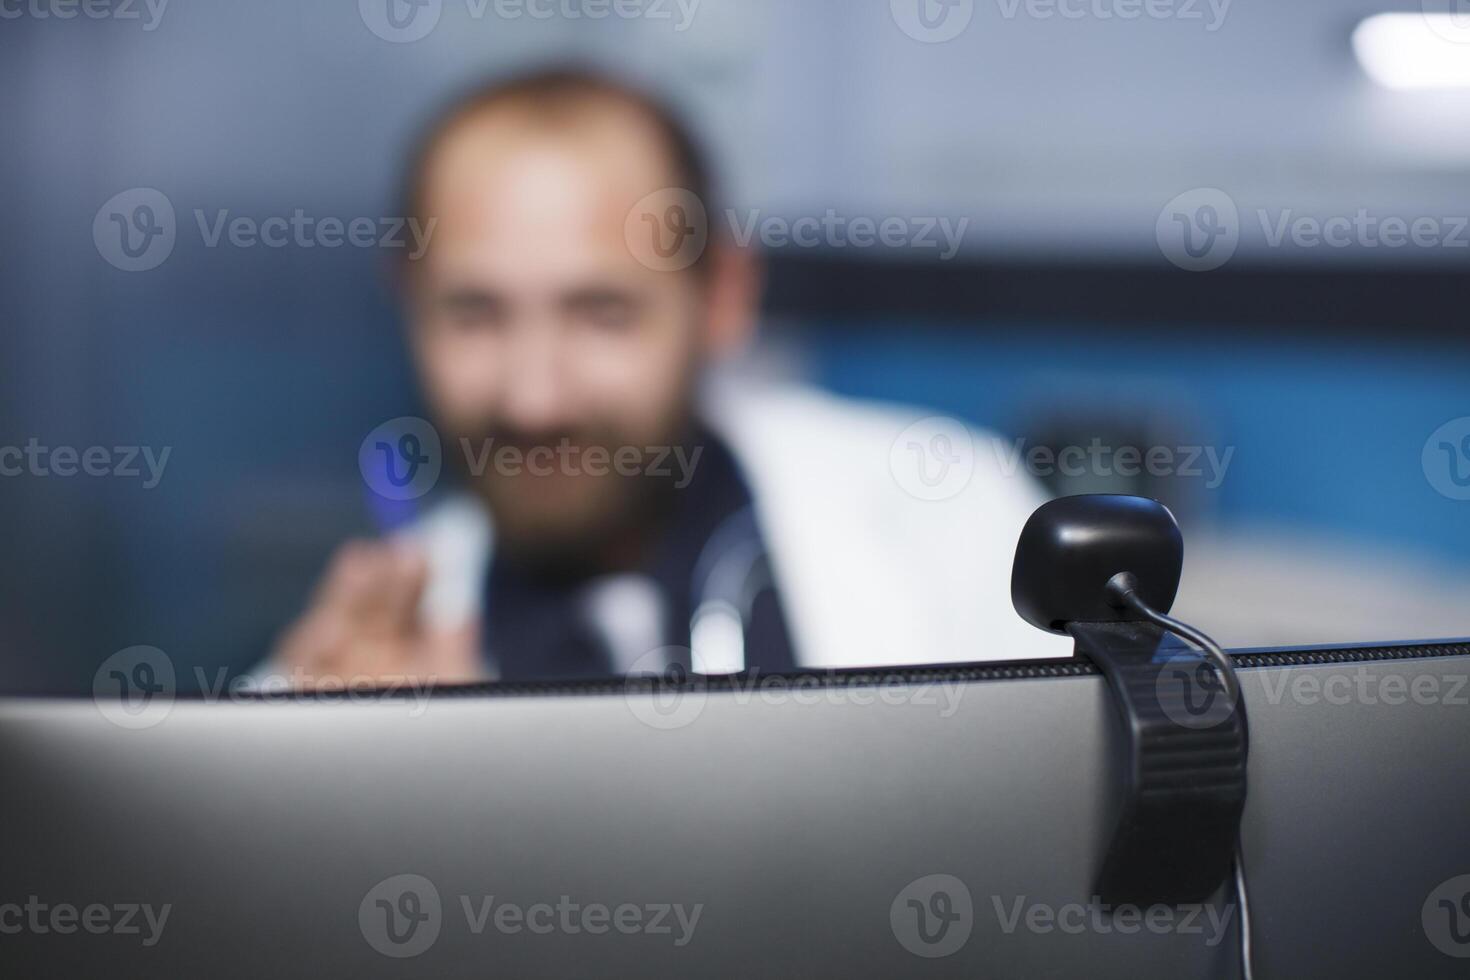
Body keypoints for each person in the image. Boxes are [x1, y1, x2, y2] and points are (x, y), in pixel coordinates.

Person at [267, 67, 1069, 688]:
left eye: (602, 312)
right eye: (475, 314)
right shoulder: (345, 680)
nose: (533, 399)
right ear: (408, 303)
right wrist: (366, 807)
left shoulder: (947, 515)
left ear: (722, 296)